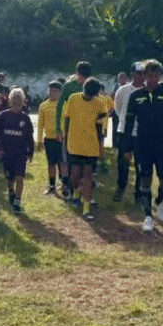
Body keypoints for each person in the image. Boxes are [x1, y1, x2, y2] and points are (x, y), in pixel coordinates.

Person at [122, 60, 163, 231]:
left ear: (160, 76)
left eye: (156, 75)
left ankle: (159, 201)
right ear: (144, 76)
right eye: (149, 75)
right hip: (142, 143)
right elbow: (128, 123)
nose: (153, 79)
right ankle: (148, 216)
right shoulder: (135, 96)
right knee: (145, 178)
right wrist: (127, 147)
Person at [64, 77, 107, 220]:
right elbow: (67, 119)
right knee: (75, 175)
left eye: (91, 95)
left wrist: (101, 145)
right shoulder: (73, 99)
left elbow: (100, 126)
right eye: (87, 93)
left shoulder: (100, 104)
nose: (89, 96)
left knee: (88, 175)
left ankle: (86, 208)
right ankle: (76, 192)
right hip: (74, 143)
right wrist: (65, 138)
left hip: (91, 145)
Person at [0, 88, 34, 214]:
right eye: (14, 99)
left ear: (23, 102)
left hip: (20, 153)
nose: (16, 102)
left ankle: (17, 201)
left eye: (19, 100)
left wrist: (31, 152)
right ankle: (11, 192)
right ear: (10, 101)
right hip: (7, 152)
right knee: (10, 178)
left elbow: (29, 137)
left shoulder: (25, 118)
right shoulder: (4, 116)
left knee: (19, 177)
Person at [55, 61, 92, 196]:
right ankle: (69, 187)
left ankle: (82, 189)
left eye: (85, 77)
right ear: (76, 74)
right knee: (69, 160)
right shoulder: (69, 87)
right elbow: (59, 107)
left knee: (85, 162)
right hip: (70, 129)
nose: (83, 81)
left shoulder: (92, 86)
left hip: (88, 130)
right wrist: (58, 129)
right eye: (81, 77)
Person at [113, 62, 145, 203]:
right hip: (125, 130)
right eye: (139, 73)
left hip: (141, 132)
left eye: (144, 73)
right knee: (123, 163)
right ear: (133, 74)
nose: (141, 76)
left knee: (141, 164)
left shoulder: (147, 90)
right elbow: (118, 108)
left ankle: (139, 193)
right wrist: (125, 123)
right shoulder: (123, 90)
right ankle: (120, 188)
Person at [36, 81, 65, 195]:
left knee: (62, 162)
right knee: (51, 163)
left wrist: (62, 133)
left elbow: (67, 121)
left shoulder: (64, 105)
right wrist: (39, 140)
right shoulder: (43, 105)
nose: (53, 93)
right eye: (51, 91)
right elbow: (40, 124)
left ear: (60, 93)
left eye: (55, 91)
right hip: (49, 139)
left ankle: (64, 183)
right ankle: (52, 185)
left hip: (61, 139)